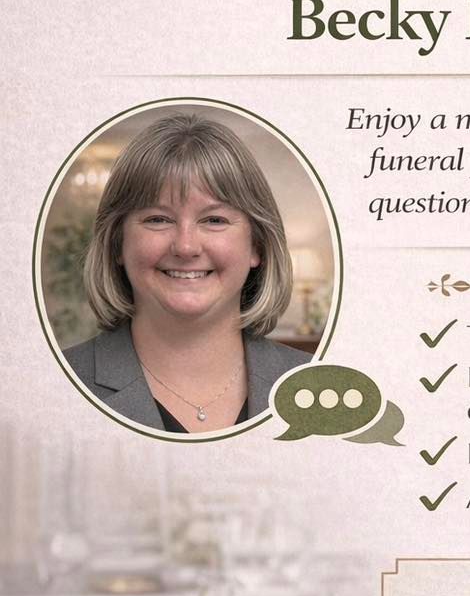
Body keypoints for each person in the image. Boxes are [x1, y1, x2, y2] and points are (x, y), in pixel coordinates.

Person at [64, 113, 313, 433]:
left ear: (257, 247)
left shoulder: (314, 387)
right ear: (117, 244)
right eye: (157, 219)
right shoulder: (54, 385)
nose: (185, 246)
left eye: (214, 220)